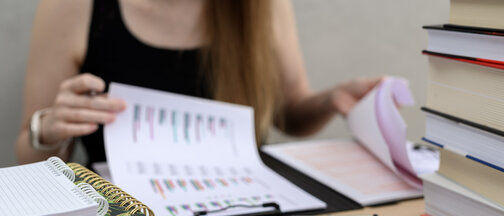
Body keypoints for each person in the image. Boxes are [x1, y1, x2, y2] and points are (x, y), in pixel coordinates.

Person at [16, 0, 381, 166]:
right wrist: (48, 130)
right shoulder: (73, 6)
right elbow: (28, 153)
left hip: (245, 208)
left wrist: (333, 99)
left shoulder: (259, 6)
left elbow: (288, 113)